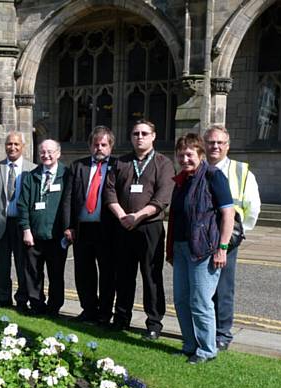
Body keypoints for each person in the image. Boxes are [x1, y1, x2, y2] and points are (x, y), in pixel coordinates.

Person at [166, 133, 234, 364]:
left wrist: (222, 247)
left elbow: (228, 213)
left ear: (200, 154)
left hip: (204, 249)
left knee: (200, 301)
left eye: (189, 154)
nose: (185, 159)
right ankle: (189, 345)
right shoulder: (182, 180)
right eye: (181, 155)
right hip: (182, 247)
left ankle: (207, 350)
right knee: (181, 300)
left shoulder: (214, 176)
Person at [103, 119, 174, 339]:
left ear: (153, 136)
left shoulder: (163, 163)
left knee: (151, 276)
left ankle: (153, 323)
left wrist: (138, 216)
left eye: (144, 133)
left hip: (149, 228)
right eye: (135, 133)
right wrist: (123, 216)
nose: (139, 137)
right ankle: (121, 318)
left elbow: (162, 198)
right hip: (123, 226)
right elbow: (109, 191)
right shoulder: (121, 162)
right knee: (123, 275)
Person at [204, 125, 261, 351]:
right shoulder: (198, 167)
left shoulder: (241, 171)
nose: (215, 146)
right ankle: (205, 330)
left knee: (223, 288)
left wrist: (238, 233)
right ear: (204, 144)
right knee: (201, 288)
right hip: (201, 237)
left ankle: (222, 334)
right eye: (210, 142)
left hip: (226, 238)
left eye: (220, 142)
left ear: (227, 146)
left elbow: (253, 206)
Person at [62, 126, 117, 325]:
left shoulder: (118, 166)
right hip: (82, 228)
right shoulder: (78, 166)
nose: (99, 148)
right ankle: (88, 310)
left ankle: (104, 313)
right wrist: (68, 226)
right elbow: (68, 198)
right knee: (84, 272)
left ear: (110, 146)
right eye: (96, 144)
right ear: (90, 146)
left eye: (103, 145)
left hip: (106, 229)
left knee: (107, 273)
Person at [0, 131, 36, 311]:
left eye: (16, 144)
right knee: (2, 265)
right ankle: (3, 297)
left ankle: (22, 299)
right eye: (9, 144)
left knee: (23, 265)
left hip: (22, 225)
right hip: (1, 224)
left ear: (23, 146)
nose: (12, 147)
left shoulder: (32, 169)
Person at [18, 139, 70, 317]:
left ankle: (54, 307)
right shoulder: (31, 176)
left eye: (50, 152)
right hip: (33, 234)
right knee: (33, 273)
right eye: (42, 152)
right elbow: (22, 205)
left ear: (58, 153)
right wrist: (26, 229)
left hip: (57, 236)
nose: (46, 155)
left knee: (56, 274)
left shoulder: (67, 175)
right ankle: (36, 304)